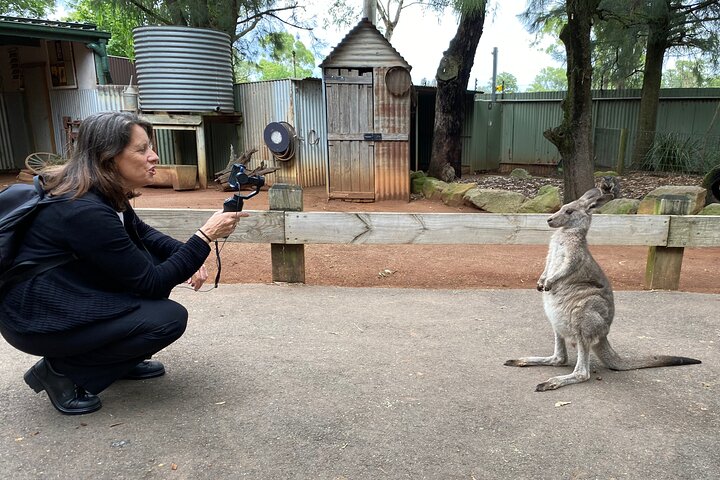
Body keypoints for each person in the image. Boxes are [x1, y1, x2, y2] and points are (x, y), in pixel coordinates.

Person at [0, 111, 244, 415]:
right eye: (142, 150)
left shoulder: (100, 190)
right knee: (167, 318)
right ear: (109, 156)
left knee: (155, 258)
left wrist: (185, 254)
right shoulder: (82, 208)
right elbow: (151, 283)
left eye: (150, 147)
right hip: (37, 319)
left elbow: (141, 232)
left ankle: (119, 361)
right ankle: (62, 372)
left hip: (63, 295)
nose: (154, 156)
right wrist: (204, 237)